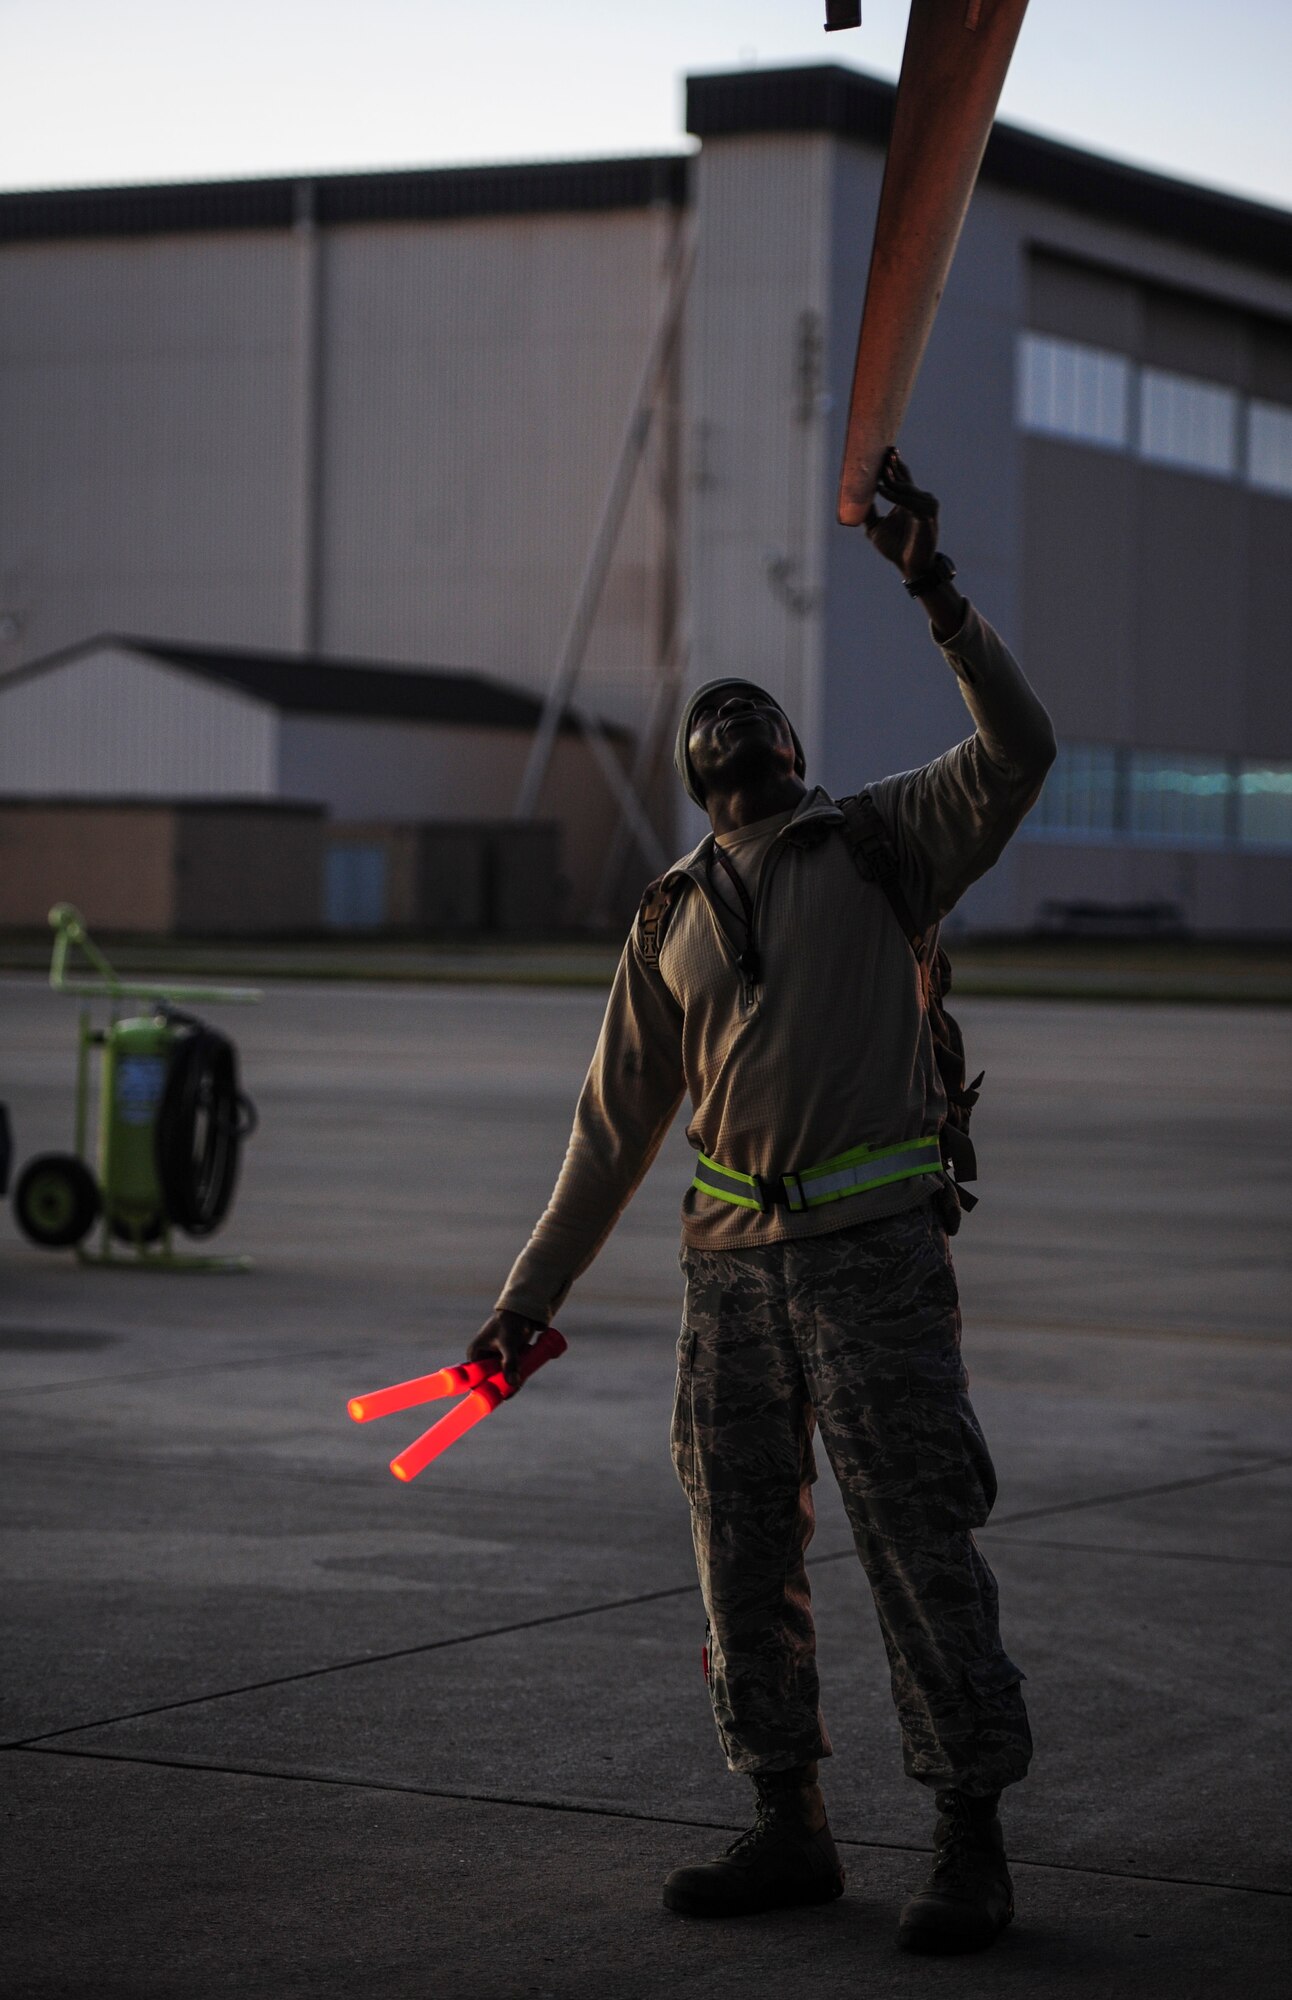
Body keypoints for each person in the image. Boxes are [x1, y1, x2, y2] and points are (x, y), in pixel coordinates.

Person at [468, 449, 1056, 1956]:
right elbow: (610, 1130)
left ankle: (967, 1837)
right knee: (743, 1549)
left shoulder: (883, 841)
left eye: (754, 713)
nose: (733, 723)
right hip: (726, 1277)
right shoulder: (666, 918)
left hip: (872, 1265)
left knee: (918, 1540)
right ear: (695, 770)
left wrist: (933, 588)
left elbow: (1024, 745)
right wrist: (522, 1306)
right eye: (711, 722)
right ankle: (787, 1820)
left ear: (790, 747)